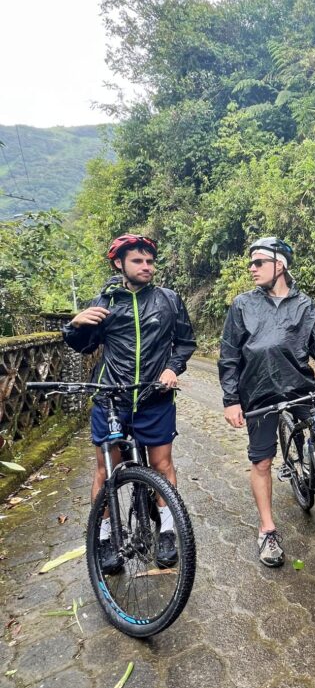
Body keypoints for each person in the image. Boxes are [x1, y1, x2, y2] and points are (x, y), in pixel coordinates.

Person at [218, 237, 315, 568]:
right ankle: (267, 529)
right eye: (250, 263)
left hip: (301, 388)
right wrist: (231, 400)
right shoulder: (242, 305)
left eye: (258, 262)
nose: (252, 268)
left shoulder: (306, 306)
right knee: (261, 462)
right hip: (257, 394)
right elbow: (229, 356)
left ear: (280, 265)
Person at [62, 234, 197, 572]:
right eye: (138, 261)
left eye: (150, 261)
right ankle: (105, 535)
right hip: (111, 399)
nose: (146, 266)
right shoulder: (104, 302)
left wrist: (171, 368)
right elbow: (82, 345)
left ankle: (167, 529)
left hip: (156, 396)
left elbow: (184, 342)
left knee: (163, 467)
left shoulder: (168, 300)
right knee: (106, 471)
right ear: (119, 264)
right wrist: (74, 325)